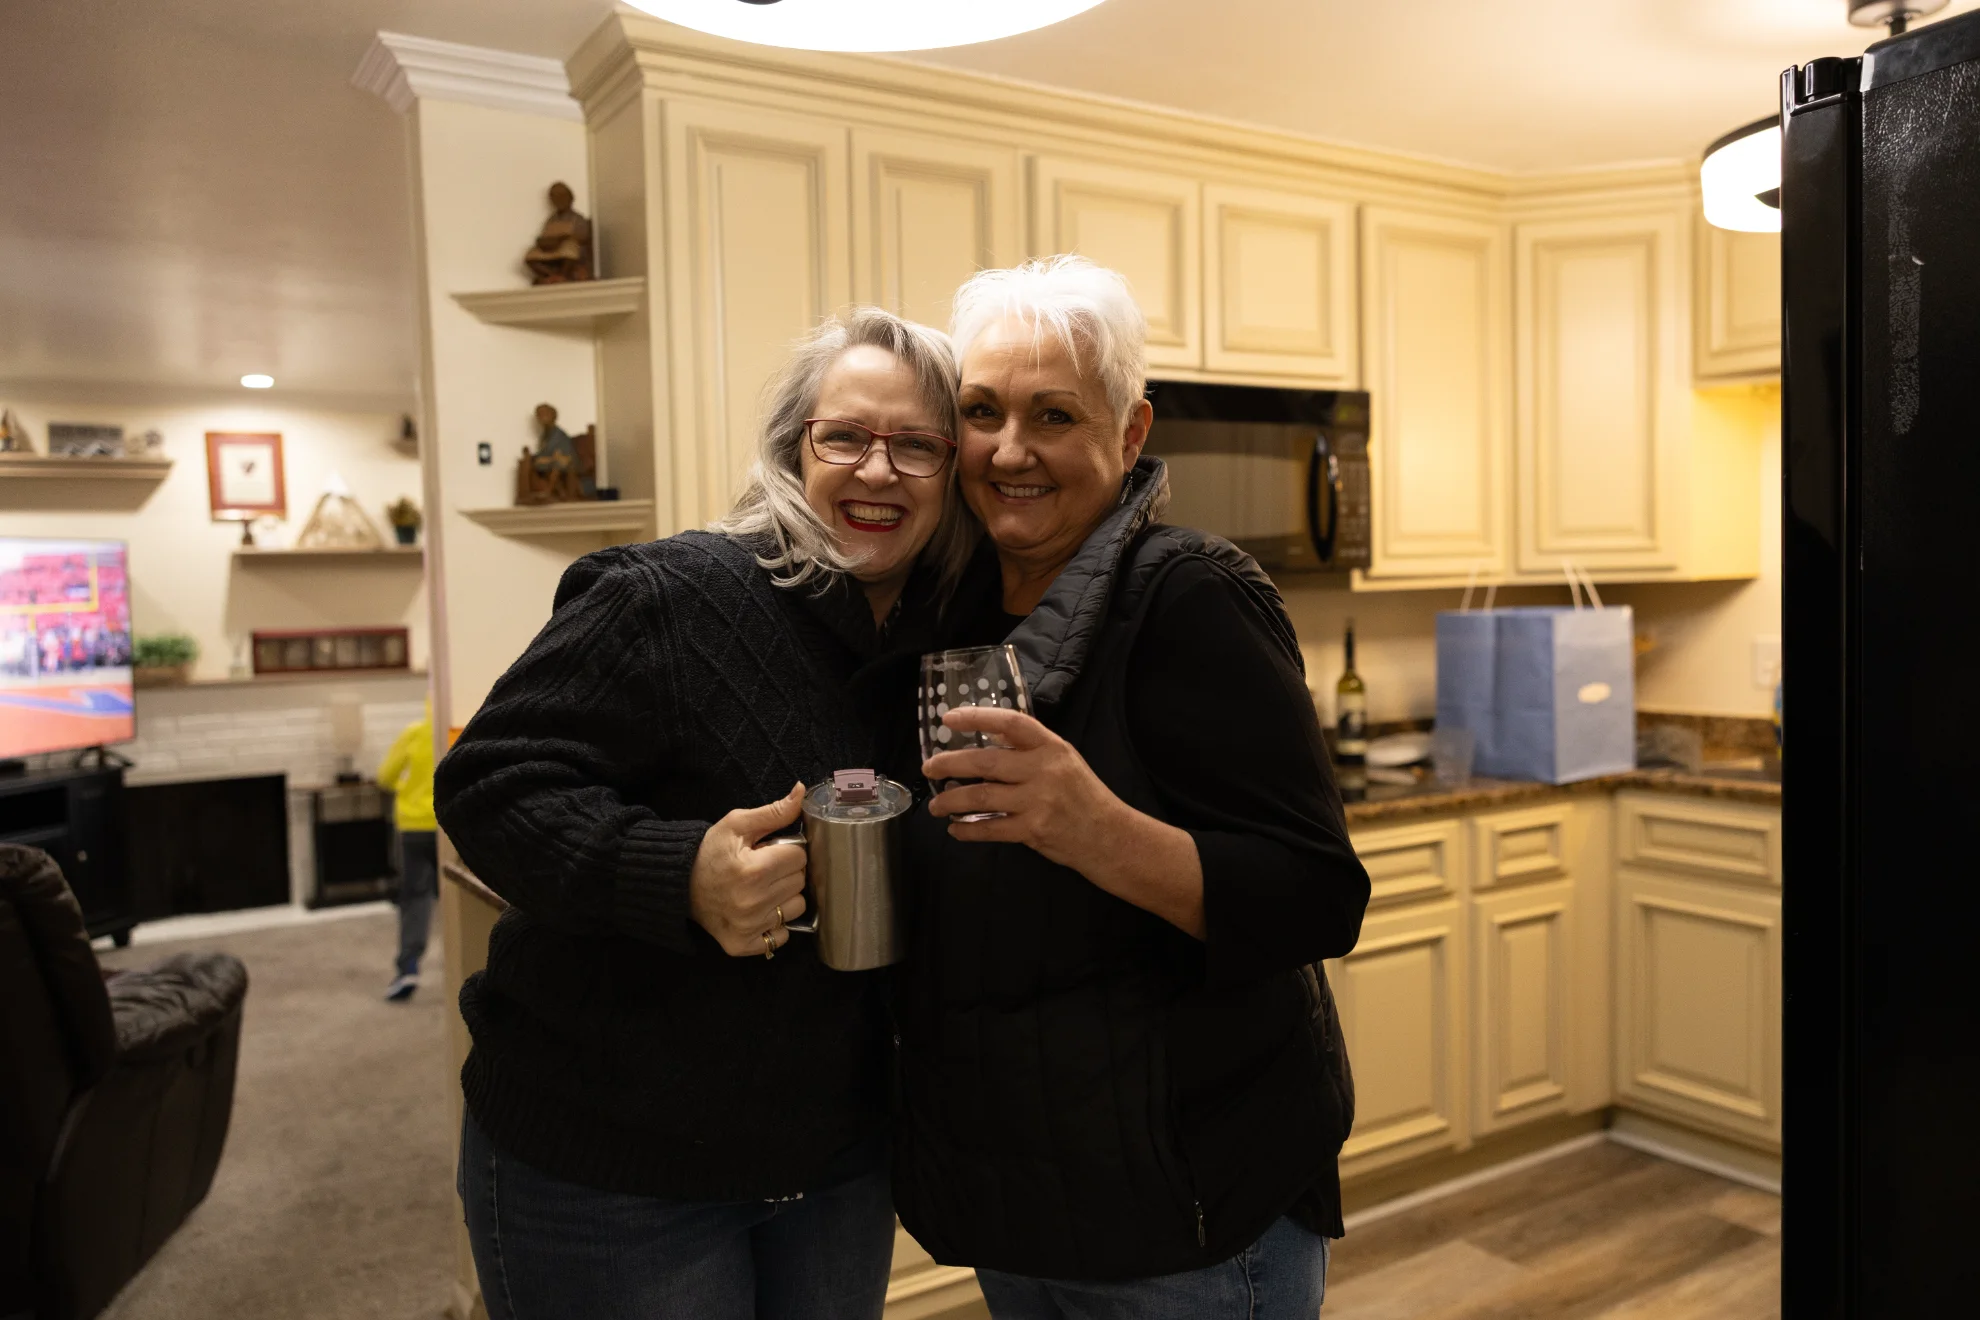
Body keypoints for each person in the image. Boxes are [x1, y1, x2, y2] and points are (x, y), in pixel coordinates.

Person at [433, 307, 975, 1320]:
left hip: (834, 1162)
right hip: (611, 1173)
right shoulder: (669, 597)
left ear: (954, 474)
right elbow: (489, 783)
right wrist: (678, 873)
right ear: (793, 450)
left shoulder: (947, 650)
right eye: (845, 436)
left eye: (916, 446)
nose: (877, 470)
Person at [893, 256, 1373, 1319]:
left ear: (1130, 433)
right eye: (982, 412)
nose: (1010, 450)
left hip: (1187, 1213)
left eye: (1052, 414)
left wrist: (1095, 826)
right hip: (1016, 1194)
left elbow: (1315, 895)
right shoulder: (952, 614)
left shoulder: (1188, 597)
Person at [377, 704, 438, 1001]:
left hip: (414, 826)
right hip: (449, 825)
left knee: (415, 896)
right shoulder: (459, 732)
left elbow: (385, 777)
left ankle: (409, 966)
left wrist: (408, 787)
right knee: (460, 896)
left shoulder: (414, 733)